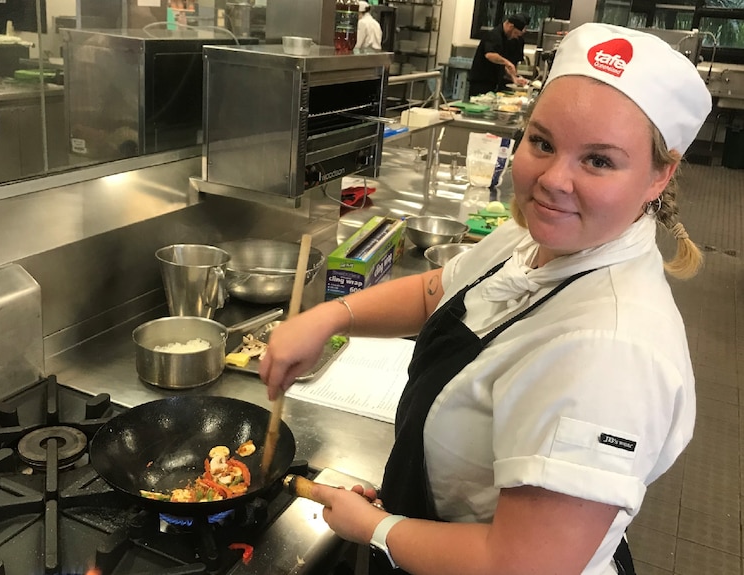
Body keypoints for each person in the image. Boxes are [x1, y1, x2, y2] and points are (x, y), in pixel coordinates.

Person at [260, 22, 711, 575]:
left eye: (599, 160)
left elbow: (523, 564)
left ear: (658, 175)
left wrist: (375, 528)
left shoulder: (611, 350)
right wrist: (330, 315)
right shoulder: (538, 237)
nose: (552, 180)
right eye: (542, 142)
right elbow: (438, 291)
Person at [468, 13, 529, 96]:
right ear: (510, 26)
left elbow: (502, 66)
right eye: (515, 33)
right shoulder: (493, 35)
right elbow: (490, 55)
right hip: (481, 82)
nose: (515, 37)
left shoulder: (509, 39)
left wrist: (514, 78)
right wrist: (507, 62)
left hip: (495, 83)